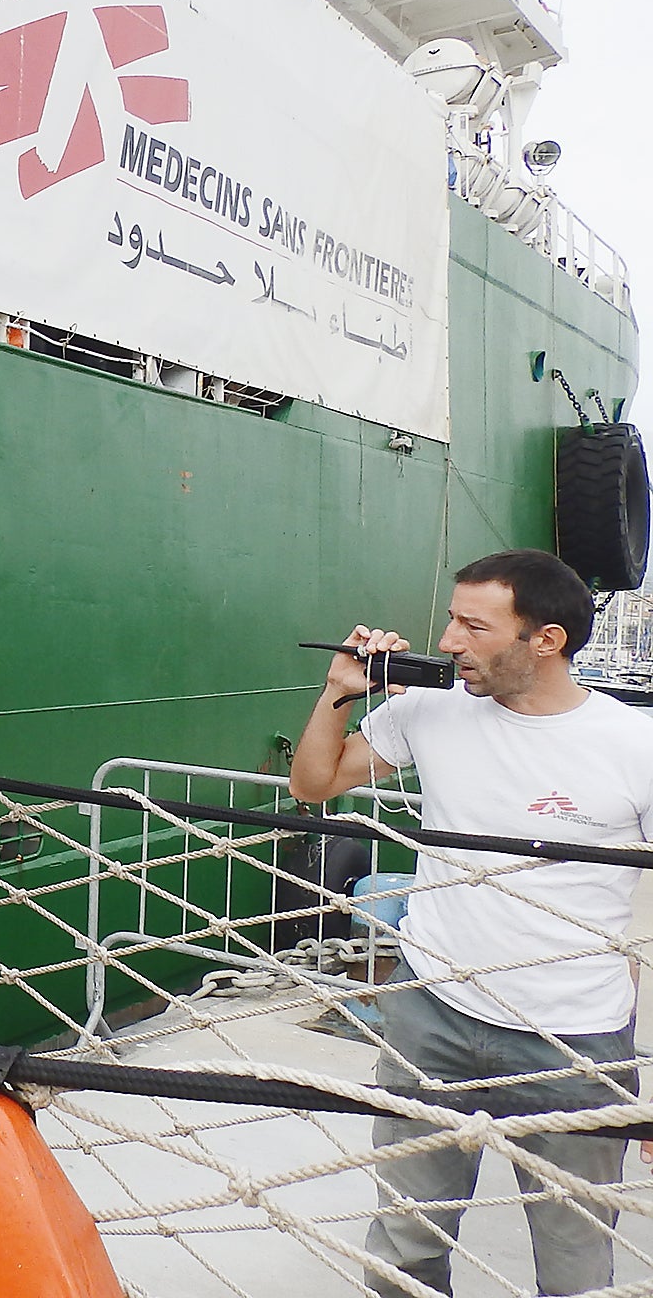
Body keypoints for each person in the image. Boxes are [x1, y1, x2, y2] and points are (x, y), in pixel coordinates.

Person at [288, 550, 653, 1298]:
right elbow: (313, 783)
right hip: (432, 1014)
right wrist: (339, 692)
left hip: (573, 1043)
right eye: (452, 619)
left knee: (577, 1267)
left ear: (544, 640)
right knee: (406, 1248)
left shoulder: (635, 746)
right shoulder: (429, 709)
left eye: (473, 625)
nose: (448, 640)